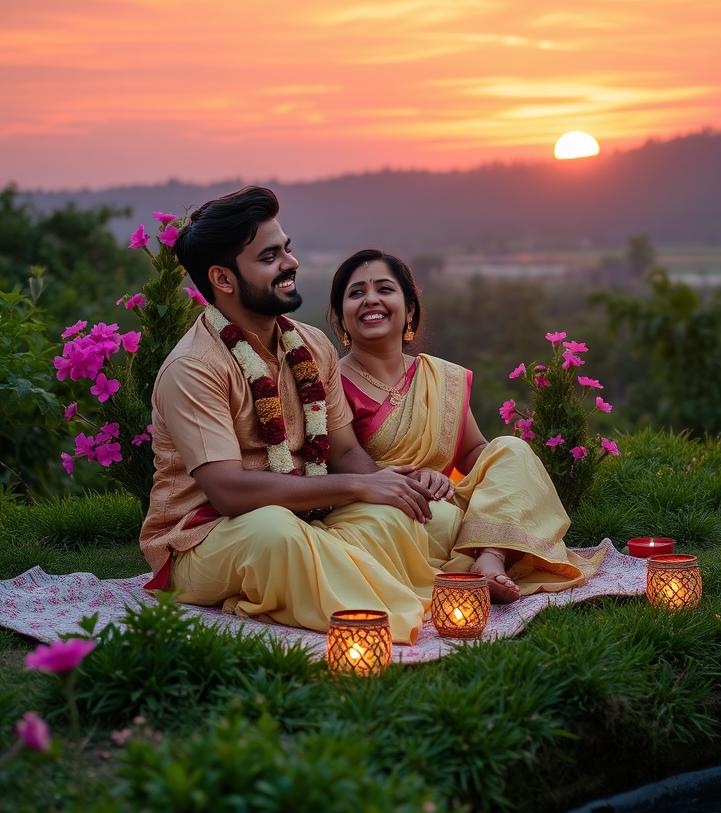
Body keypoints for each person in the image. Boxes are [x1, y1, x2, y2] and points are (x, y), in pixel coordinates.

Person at [140, 186, 455, 644]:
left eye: (286, 249)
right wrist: (357, 486)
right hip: (205, 539)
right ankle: (387, 618)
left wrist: (388, 486)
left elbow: (344, 451)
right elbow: (227, 492)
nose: (291, 263)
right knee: (276, 533)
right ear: (223, 279)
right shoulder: (194, 367)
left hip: (307, 514)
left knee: (416, 516)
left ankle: (309, 584)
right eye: (270, 257)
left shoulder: (311, 344)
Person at [329, 249, 604, 603]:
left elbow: (474, 451)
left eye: (384, 289)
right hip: (387, 512)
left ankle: (490, 555)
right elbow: (342, 459)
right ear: (341, 316)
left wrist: (494, 477)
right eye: (356, 293)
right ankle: (475, 553)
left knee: (511, 448)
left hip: (446, 502)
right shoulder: (331, 383)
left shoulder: (440, 376)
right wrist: (408, 481)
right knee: (429, 520)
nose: (370, 299)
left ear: (409, 309)